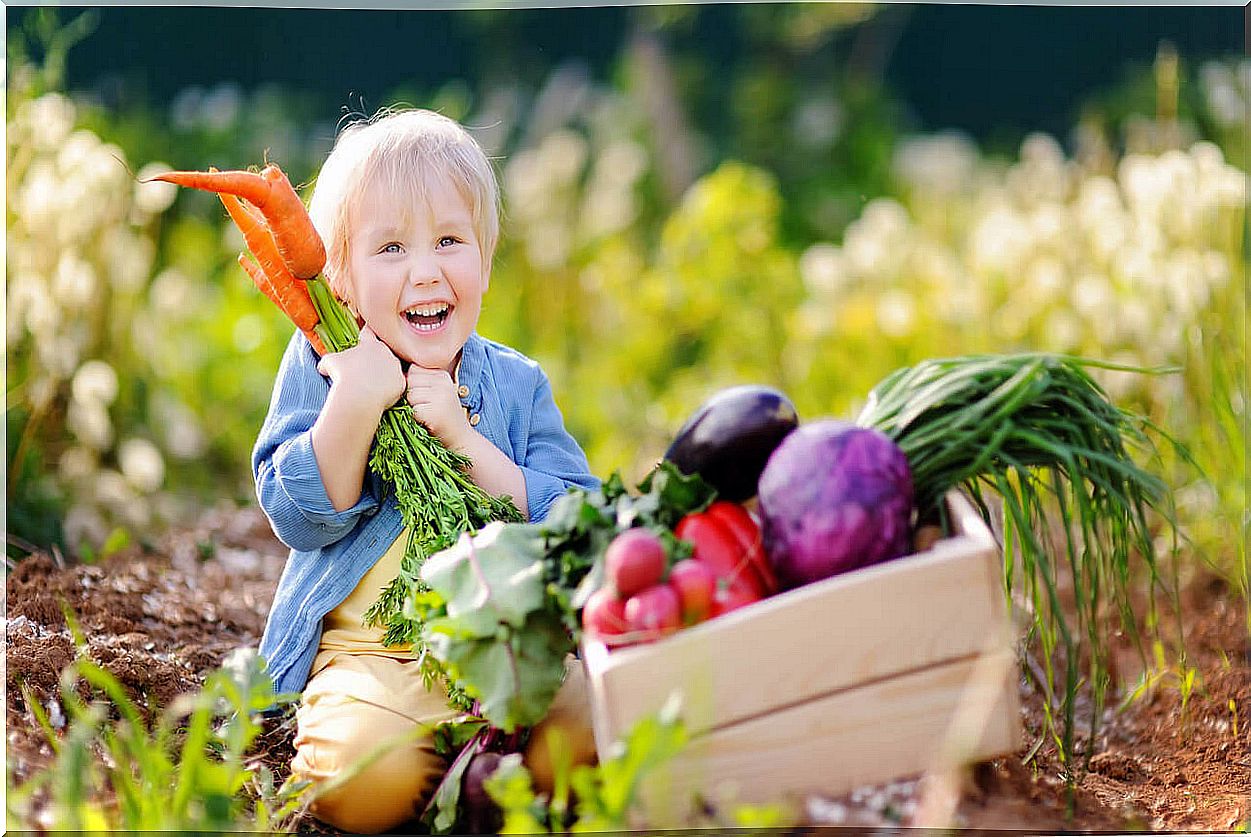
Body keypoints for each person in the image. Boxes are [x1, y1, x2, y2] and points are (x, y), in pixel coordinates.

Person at [252, 107, 600, 833]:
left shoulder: (515, 381)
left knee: (599, 723)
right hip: (373, 660)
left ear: (484, 257)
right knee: (357, 776)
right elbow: (298, 514)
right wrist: (354, 400)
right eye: (390, 248)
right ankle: (456, 776)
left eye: (449, 240)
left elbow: (578, 518)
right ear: (340, 280)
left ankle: (486, 767)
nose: (425, 270)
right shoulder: (324, 366)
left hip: (510, 650)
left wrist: (467, 442)